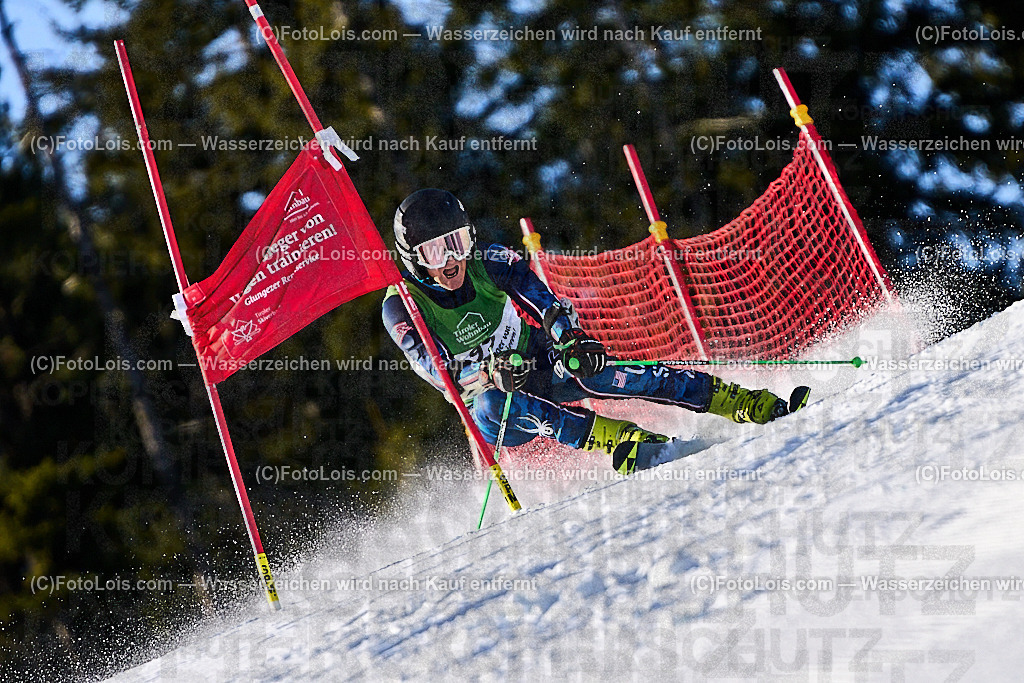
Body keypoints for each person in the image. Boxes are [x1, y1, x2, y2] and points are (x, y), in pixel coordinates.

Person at [381, 189, 809, 474]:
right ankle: (624, 442)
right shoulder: (402, 304)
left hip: (534, 359)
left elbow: (541, 300)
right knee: (497, 402)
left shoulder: (488, 259)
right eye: (436, 251)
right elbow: (435, 372)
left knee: (591, 369)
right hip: (491, 404)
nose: (451, 260)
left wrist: (569, 338)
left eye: (457, 242)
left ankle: (741, 401)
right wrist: (486, 375)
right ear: (414, 259)